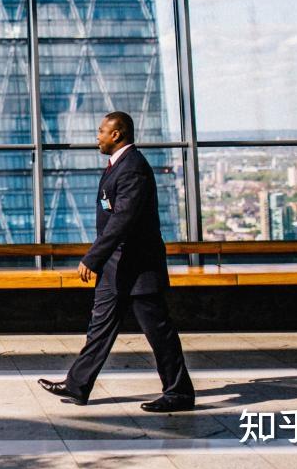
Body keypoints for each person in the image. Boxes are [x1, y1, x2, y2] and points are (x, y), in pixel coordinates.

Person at [38, 111, 196, 412]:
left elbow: (123, 220)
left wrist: (93, 257)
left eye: (101, 131)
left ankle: (179, 392)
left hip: (138, 268)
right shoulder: (118, 166)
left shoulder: (132, 168)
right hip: (116, 268)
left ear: (117, 134)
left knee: (159, 332)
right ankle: (77, 384)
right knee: (99, 327)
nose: (96, 137)